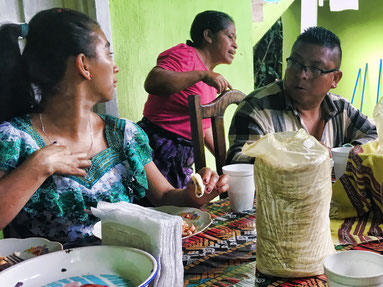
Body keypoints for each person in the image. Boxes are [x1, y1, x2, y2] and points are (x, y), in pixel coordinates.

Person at [0, 8, 228, 247]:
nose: (115, 66)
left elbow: (164, 197)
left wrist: (192, 195)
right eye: (108, 54)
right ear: (84, 65)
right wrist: (37, 167)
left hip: (126, 270)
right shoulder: (13, 139)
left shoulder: (123, 134)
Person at [226, 26, 377, 164]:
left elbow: (376, 136)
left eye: (315, 68)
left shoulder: (340, 109)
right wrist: (297, 155)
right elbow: (238, 162)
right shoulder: (257, 109)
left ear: (335, 79)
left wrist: (340, 153)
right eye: (295, 62)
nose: (301, 74)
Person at [138, 10, 238, 189]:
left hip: (182, 157)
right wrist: (202, 74)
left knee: (181, 211)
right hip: (158, 150)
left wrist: (229, 161)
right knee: (161, 210)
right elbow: (153, 81)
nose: (235, 45)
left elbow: (203, 126)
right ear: (208, 35)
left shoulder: (208, 77)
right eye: (230, 36)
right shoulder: (186, 55)